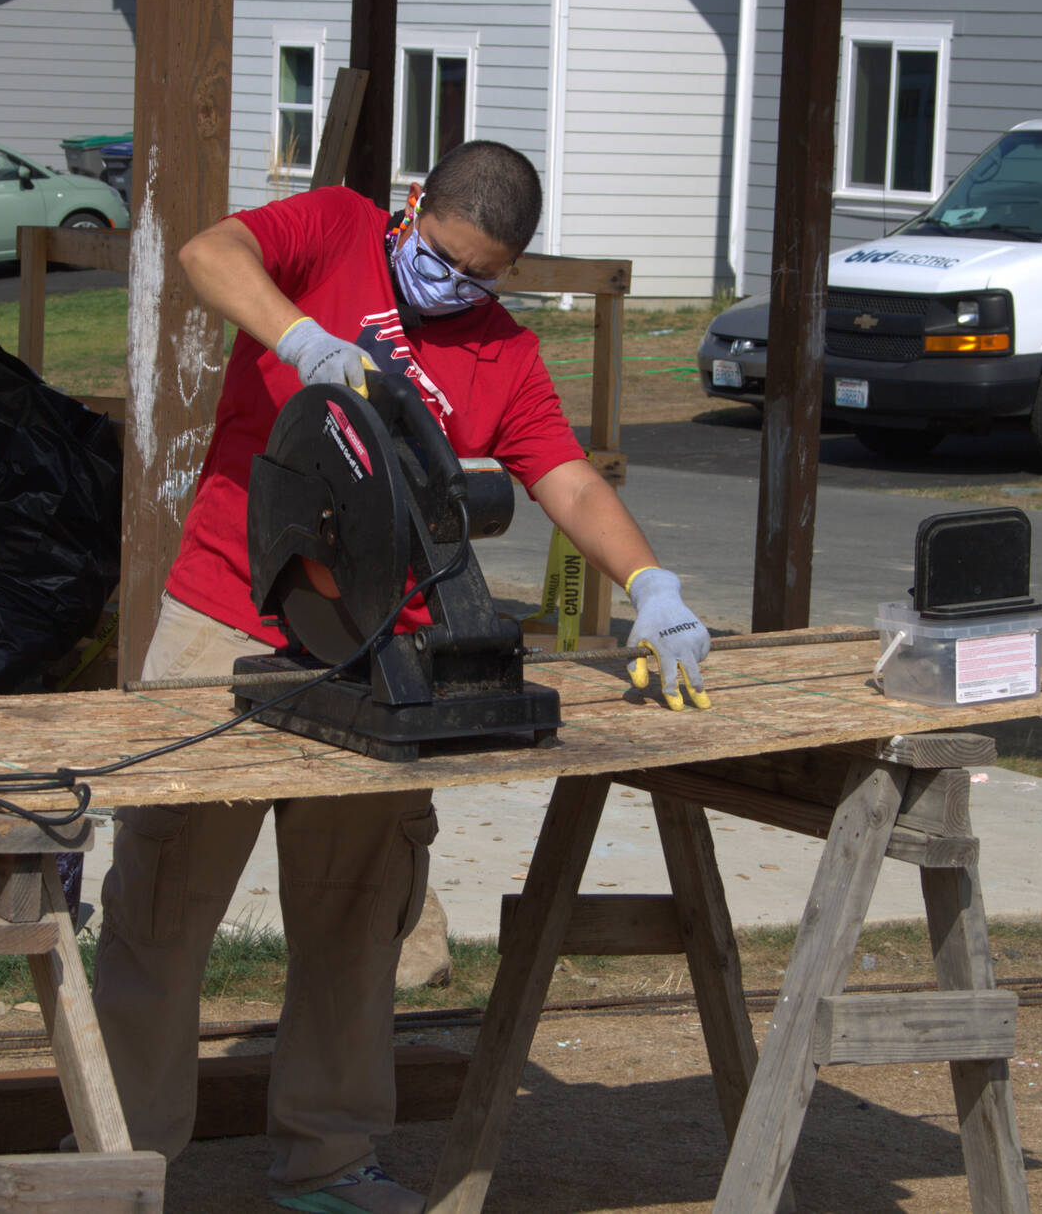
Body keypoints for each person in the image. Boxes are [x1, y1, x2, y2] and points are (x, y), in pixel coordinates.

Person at [91, 140, 710, 1214]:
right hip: (225, 616)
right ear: (414, 205)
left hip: (382, 649)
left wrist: (650, 583)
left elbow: (563, 478)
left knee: (354, 909)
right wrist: (301, 337)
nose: (454, 285)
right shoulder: (331, 229)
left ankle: (329, 1161)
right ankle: (117, 1162)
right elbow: (206, 252)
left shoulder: (501, 351)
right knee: (161, 900)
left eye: (481, 275)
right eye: (443, 257)